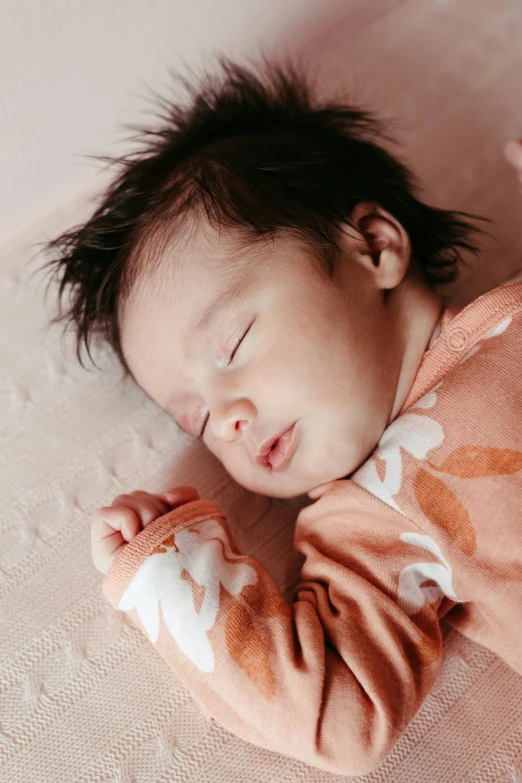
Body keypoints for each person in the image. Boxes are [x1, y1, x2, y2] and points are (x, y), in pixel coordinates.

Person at [43, 60, 522, 776]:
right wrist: (177, 575)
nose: (226, 421)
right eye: (196, 419)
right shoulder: (372, 525)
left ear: (372, 246)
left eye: (232, 344)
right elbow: (339, 714)